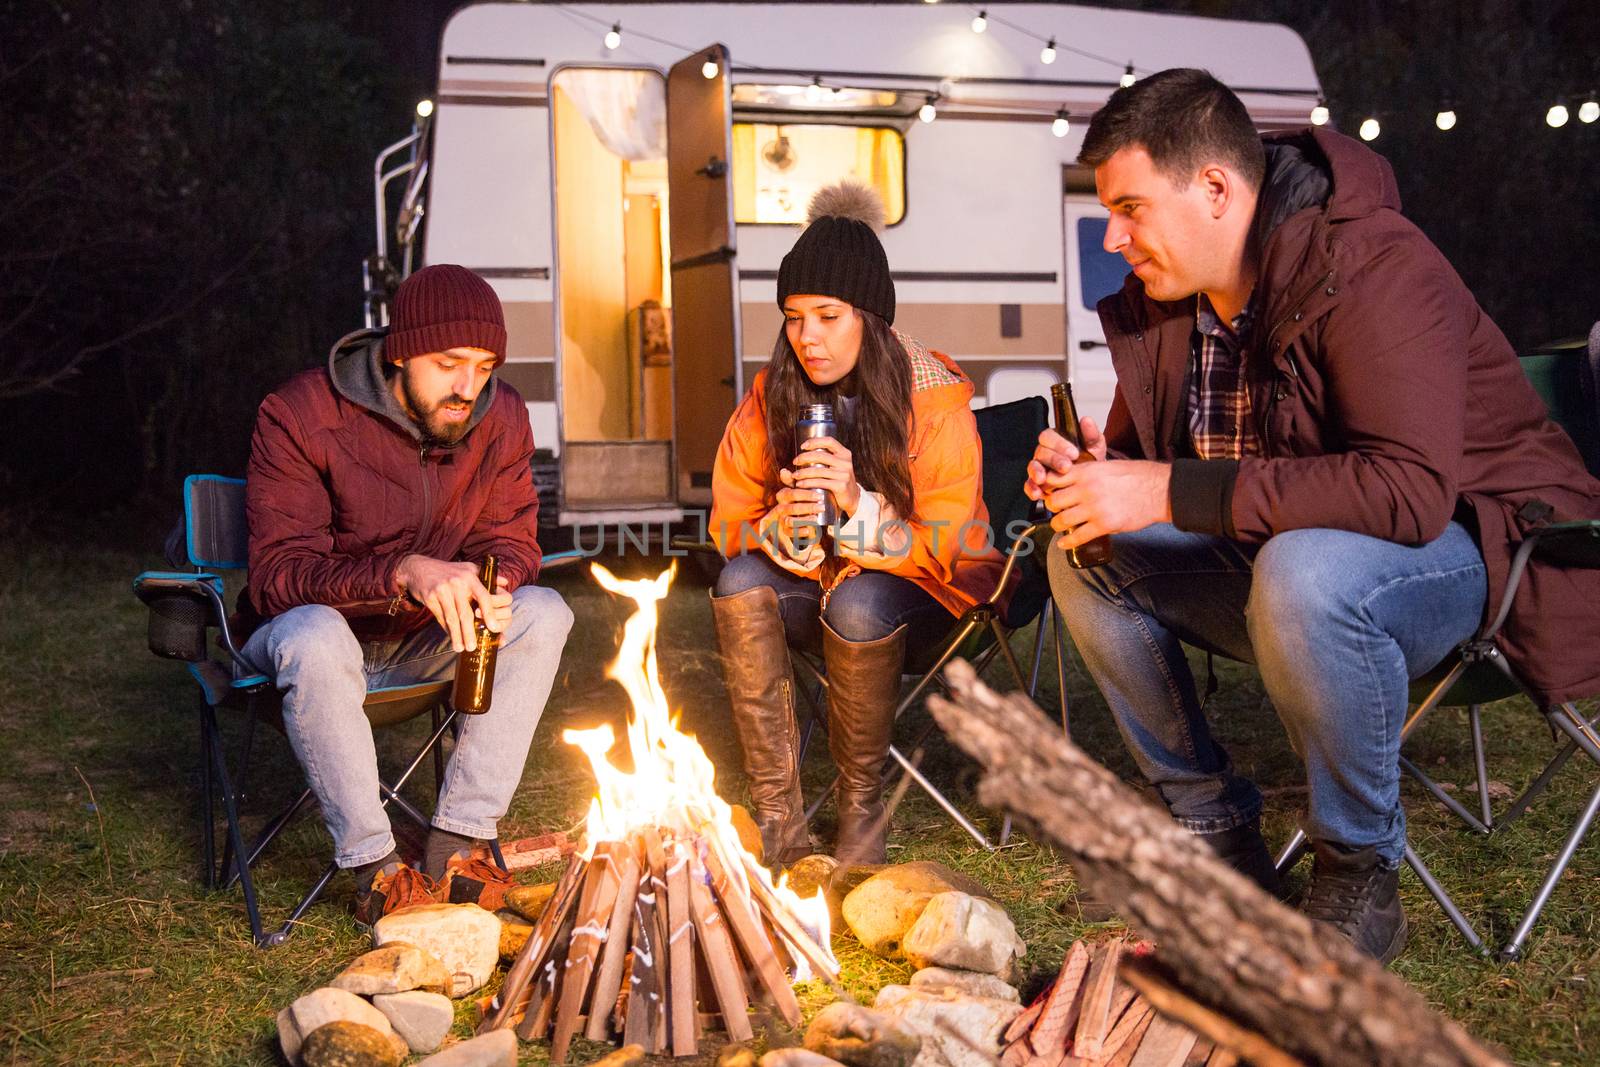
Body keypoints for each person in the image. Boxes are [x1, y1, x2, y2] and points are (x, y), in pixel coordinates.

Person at [1029, 69, 1600, 964]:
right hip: (1279, 562)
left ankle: (1359, 870)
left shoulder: (1371, 263)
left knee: (1305, 570)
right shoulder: (1168, 305)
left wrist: (1164, 490)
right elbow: (1146, 467)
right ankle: (1218, 841)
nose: (1114, 237)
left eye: (1132, 208)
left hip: (1475, 549)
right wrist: (1096, 477)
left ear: (1215, 189)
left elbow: (1408, 493)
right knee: (1084, 556)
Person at [242, 264, 573, 923]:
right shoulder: (301, 414)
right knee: (313, 633)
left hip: (425, 642)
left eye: (482, 366)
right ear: (400, 351)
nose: (467, 387)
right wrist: (402, 571)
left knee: (544, 611)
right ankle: (375, 868)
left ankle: (458, 842)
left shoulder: (499, 414)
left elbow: (514, 537)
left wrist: (494, 581)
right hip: (312, 644)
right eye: (448, 362)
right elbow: (278, 575)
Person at [709, 182, 1005, 866]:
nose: (806, 336)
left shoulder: (931, 398)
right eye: (792, 317)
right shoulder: (774, 393)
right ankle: (780, 822)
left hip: (931, 594)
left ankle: (860, 813)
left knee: (861, 598)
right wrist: (775, 527)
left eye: (827, 315)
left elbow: (945, 544)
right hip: (827, 582)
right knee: (739, 579)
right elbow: (728, 522)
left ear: (870, 316)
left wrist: (854, 500)